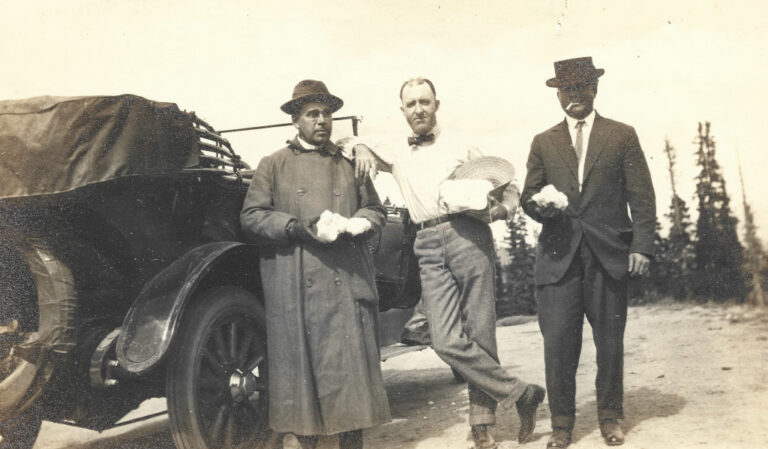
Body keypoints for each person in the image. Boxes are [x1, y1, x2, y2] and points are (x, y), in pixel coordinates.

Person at [349, 77, 545, 449]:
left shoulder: (462, 144)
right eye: (411, 104)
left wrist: (500, 210)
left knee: (480, 331)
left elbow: (508, 185)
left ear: (437, 104)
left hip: (468, 235)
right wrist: (359, 145)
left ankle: (482, 425)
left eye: (425, 102)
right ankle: (522, 394)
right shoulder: (395, 149)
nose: (419, 109)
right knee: (443, 338)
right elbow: (348, 145)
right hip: (425, 241)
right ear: (403, 110)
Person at [240, 80, 391, 449]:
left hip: (345, 282)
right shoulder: (273, 164)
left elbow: (375, 208)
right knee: (304, 386)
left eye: (326, 113)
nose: (321, 121)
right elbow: (252, 216)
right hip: (297, 286)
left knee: (350, 381)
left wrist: (362, 221)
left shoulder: (349, 164)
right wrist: (296, 227)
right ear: (295, 120)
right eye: (312, 114)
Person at [521, 57, 656, 448]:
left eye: (580, 88)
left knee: (610, 344)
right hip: (558, 259)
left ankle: (610, 417)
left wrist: (642, 247)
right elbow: (530, 197)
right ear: (558, 95)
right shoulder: (543, 142)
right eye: (566, 90)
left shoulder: (622, 135)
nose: (573, 97)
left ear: (594, 89)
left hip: (609, 255)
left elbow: (642, 196)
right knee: (559, 345)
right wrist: (539, 206)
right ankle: (561, 424)